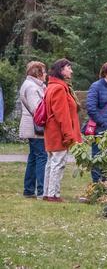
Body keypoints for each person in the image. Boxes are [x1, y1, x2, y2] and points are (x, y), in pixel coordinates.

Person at [43, 59, 82, 202]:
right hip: (58, 132)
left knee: (51, 162)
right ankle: (53, 194)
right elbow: (62, 115)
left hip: (52, 131)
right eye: (68, 68)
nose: (71, 71)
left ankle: (47, 193)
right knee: (58, 163)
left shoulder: (52, 86)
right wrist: (68, 135)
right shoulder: (59, 88)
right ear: (61, 70)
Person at [19, 61, 48, 199]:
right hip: (36, 128)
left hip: (33, 127)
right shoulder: (32, 87)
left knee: (33, 158)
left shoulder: (34, 85)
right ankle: (41, 190)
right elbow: (37, 109)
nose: (46, 74)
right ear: (38, 73)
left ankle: (29, 189)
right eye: (44, 71)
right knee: (42, 156)